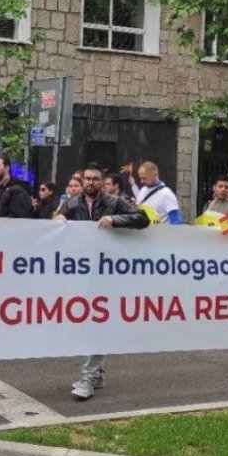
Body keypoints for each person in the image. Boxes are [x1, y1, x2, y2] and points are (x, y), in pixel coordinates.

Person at [55, 163, 151, 399]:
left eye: (95, 179)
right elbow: (59, 218)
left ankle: (88, 376)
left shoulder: (113, 202)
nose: (90, 183)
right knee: (88, 322)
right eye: (87, 179)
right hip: (81, 272)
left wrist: (115, 220)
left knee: (96, 322)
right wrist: (57, 218)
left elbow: (142, 218)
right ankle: (97, 374)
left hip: (108, 273)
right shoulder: (72, 203)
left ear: (102, 181)